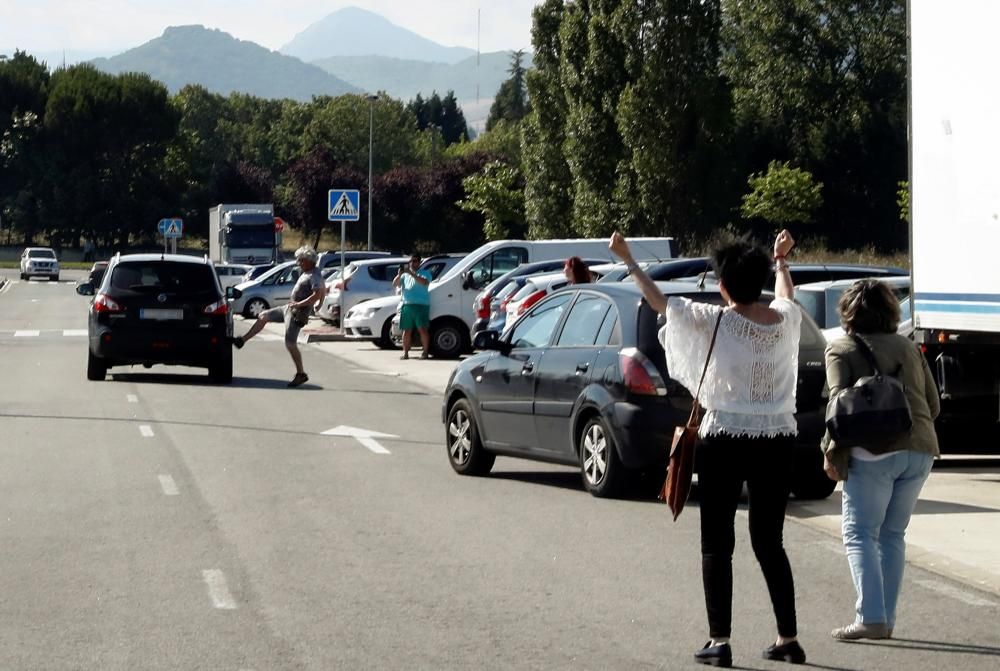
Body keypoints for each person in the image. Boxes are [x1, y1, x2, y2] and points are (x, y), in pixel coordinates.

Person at [610, 229, 805, 667]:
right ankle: (788, 638)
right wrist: (781, 261)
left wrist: (628, 259)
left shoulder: (716, 319)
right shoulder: (785, 321)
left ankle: (720, 641)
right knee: (769, 541)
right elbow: (786, 296)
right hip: (778, 438)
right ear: (757, 280)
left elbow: (659, 302)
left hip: (726, 437)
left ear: (722, 285)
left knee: (717, 542)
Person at [821, 280, 940, 641]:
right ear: (891, 310)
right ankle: (883, 618)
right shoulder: (908, 347)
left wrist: (830, 452)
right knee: (892, 534)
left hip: (872, 452)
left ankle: (870, 617)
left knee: (858, 533)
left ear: (848, 312)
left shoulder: (841, 349)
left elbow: (838, 407)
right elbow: (933, 404)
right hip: (920, 448)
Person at [233, 246, 326, 387]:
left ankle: (301, 374)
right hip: (288, 308)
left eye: (301, 260)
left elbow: (317, 293)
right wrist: (319, 305)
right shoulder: (308, 272)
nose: (298, 263)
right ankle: (242, 340)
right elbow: (323, 291)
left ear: (309, 261)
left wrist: (302, 304)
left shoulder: (314, 275)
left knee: (290, 343)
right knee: (263, 315)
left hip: (297, 313)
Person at [393, 254, 433, 360]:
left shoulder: (425, 273)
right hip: (407, 305)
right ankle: (405, 353)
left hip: (421, 305)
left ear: (419, 262)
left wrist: (412, 274)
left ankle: (425, 352)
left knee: (422, 329)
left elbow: (424, 282)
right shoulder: (404, 275)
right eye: (410, 261)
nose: (412, 263)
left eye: (414, 261)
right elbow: (395, 284)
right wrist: (399, 274)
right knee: (406, 330)